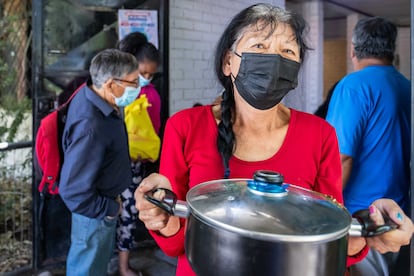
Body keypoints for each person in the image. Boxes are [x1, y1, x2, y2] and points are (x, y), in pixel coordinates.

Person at [133, 4, 413, 276]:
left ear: (294, 74)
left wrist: (369, 230)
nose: (274, 60)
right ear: (228, 62)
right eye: (259, 46)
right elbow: (175, 243)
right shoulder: (185, 127)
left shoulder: (320, 135)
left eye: (287, 51)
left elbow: (329, 242)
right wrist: (158, 216)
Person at [325, 17, 411, 276]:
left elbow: (341, 158)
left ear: (353, 50)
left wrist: (327, 213)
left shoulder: (352, 87)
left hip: (359, 220)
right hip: (398, 214)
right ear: (392, 51)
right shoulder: (406, 87)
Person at [59, 48, 139, 276]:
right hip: (93, 215)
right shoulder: (91, 126)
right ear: (111, 85)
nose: (137, 88)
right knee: (87, 269)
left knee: (96, 267)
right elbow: (72, 190)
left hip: (100, 208)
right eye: (133, 82)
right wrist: (110, 209)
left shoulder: (94, 97)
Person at [116, 32, 162, 276]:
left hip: (134, 168)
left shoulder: (151, 95)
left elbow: (152, 133)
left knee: (128, 215)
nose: (145, 79)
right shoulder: (118, 90)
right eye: (141, 73)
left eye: (150, 75)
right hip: (112, 165)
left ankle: (124, 266)